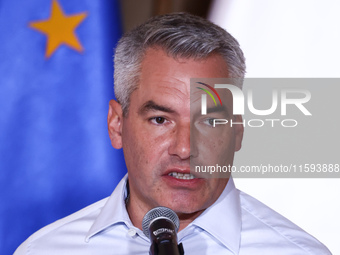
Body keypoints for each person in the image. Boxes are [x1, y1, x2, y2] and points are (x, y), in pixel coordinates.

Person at [15, 13, 331, 255]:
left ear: (237, 132)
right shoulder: (46, 249)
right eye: (160, 120)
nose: (185, 148)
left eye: (209, 122)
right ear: (116, 125)